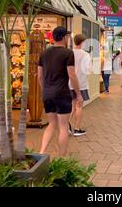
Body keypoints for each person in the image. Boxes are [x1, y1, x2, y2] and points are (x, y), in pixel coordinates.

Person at [38, 27, 82, 156]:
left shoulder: (44, 53)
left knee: (51, 124)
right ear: (64, 38)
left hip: (47, 93)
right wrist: (78, 94)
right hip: (62, 93)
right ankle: (61, 158)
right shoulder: (68, 53)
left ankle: (41, 152)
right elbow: (72, 75)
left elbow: (39, 76)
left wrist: (44, 90)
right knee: (63, 127)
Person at [69, 34, 92, 137]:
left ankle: (66, 124)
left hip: (70, 83)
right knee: (79, 106)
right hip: (81, 84)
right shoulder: (85, 55)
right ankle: (77, 128)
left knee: (73, 106)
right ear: (82, 42)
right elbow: (88, 70)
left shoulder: (69, 53)